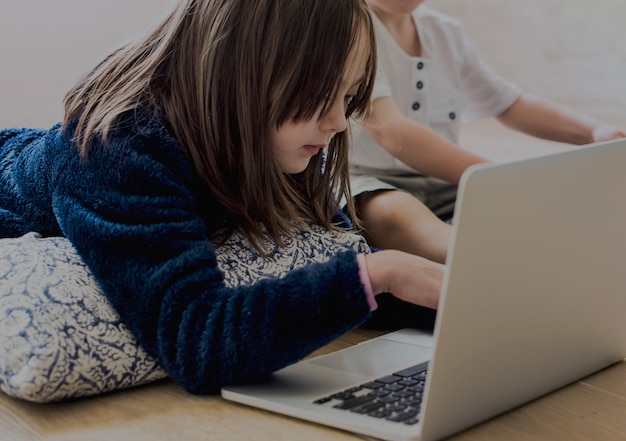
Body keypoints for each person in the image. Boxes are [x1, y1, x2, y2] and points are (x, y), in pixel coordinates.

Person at [0, 0, 447, 395]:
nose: (336, 120)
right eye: (316, 94)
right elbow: (196, 344)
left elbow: (347, 263)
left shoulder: (269, 136)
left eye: (347, 96)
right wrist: (380, 270)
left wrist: (483, 305)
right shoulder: (116, 148)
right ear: (238, 71)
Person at [349, 0, 626, 264]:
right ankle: (485, 261)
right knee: (392, 212)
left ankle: (558, 252)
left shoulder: (444, 30)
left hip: (443, 182)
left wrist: (595, 131)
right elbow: (392, 132)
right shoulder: (352, 29)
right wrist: (496, 175)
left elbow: (508, 102)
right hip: (371, 181)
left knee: (525, 210)